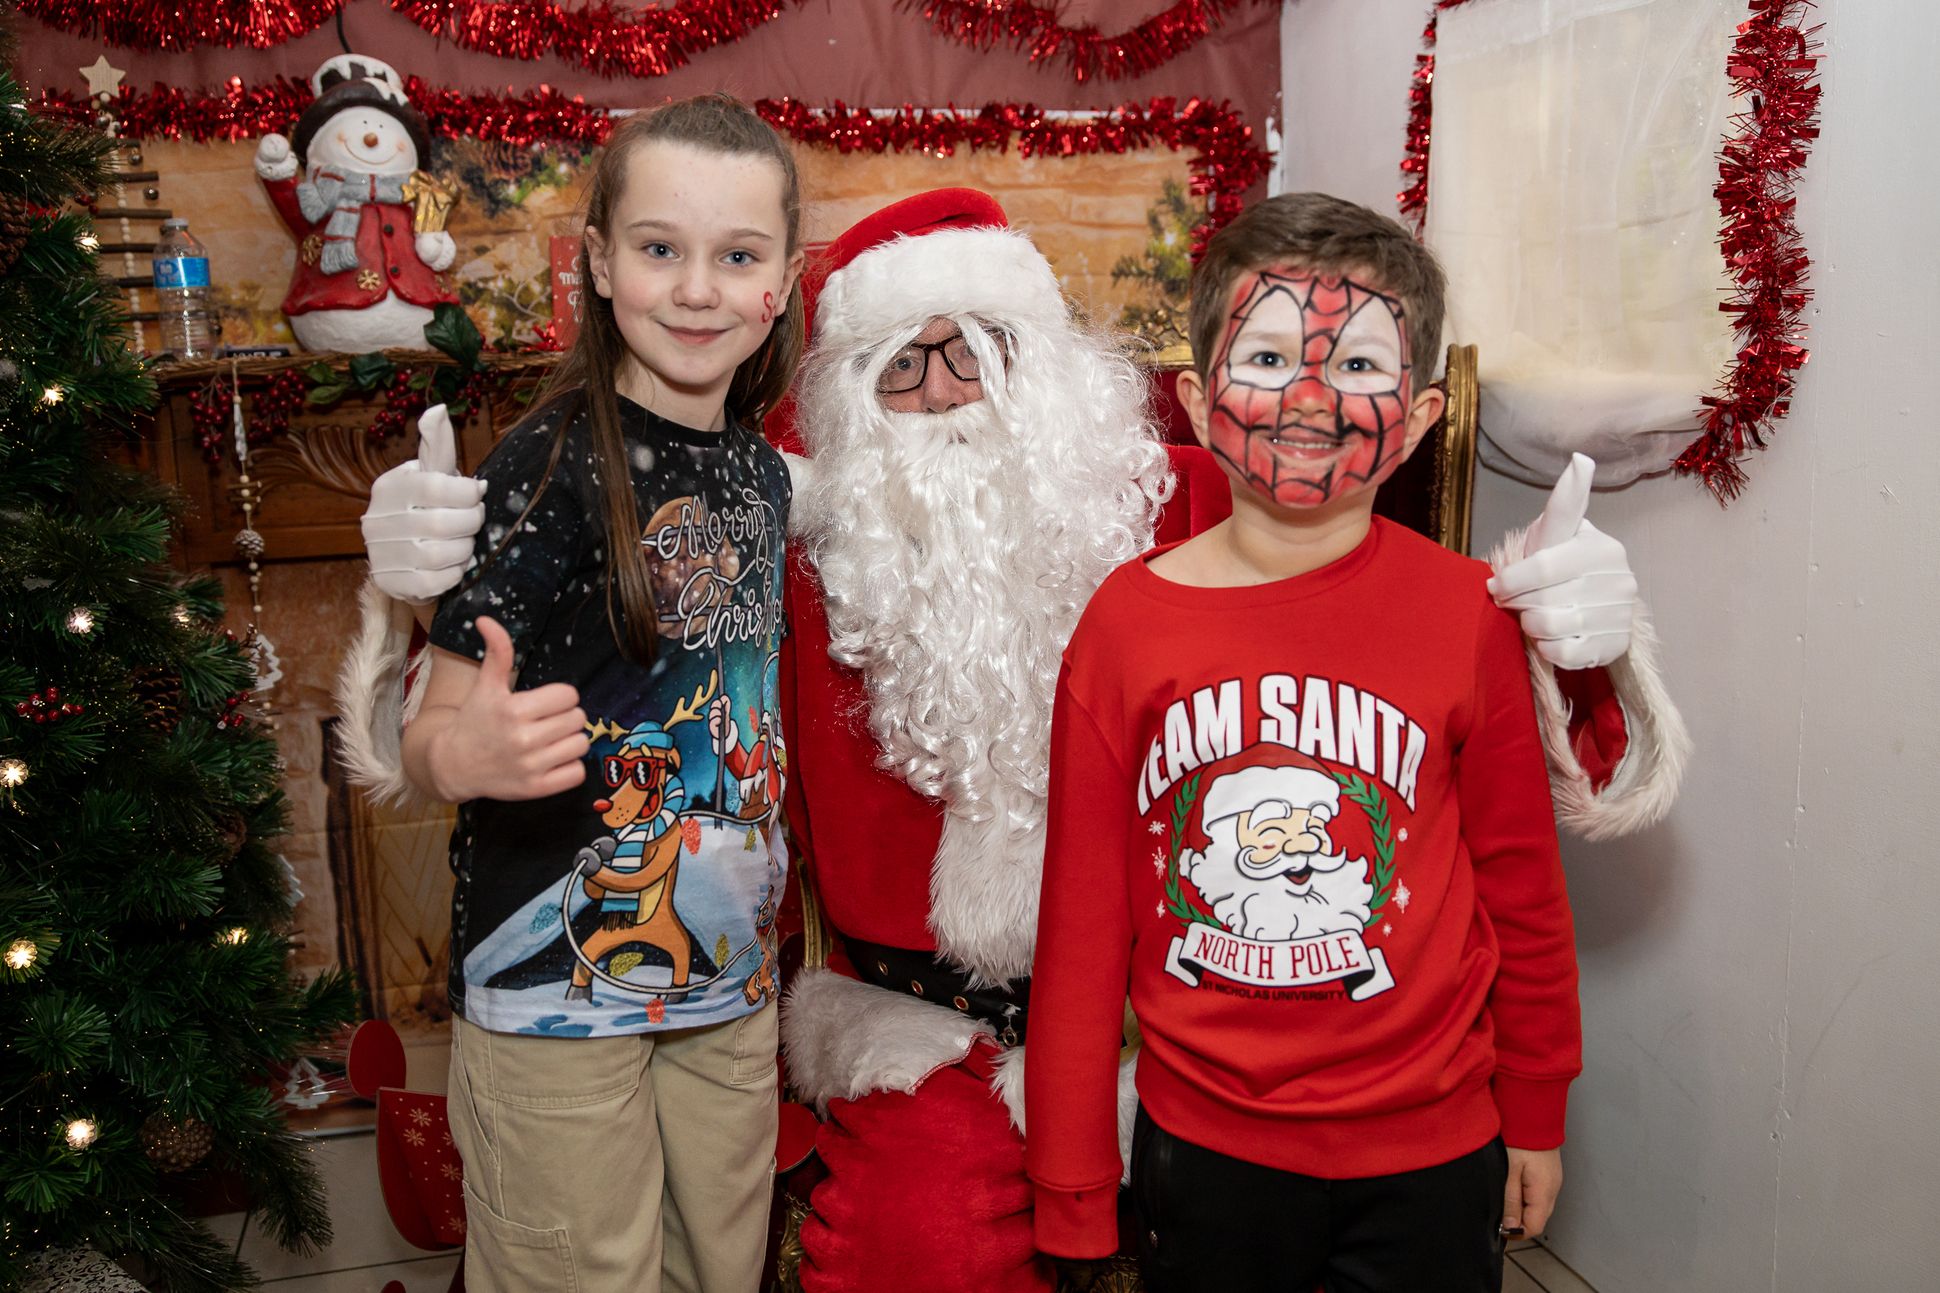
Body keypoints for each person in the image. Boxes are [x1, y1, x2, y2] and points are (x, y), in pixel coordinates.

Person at [346, 188, 1684, 1293]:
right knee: (919, 1246)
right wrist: (443, 571)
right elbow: (565, 650)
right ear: (848, 405)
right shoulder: (799, 544)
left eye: (978, 350)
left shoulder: (1193, 494)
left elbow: (1435, 702)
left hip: (1203, 1026)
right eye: (906, 366)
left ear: (1047, 372)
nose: (948, 394)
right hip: (926, 1025)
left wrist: (1584, 644)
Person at [1026, 192, 1580, 1293]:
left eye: (1359, 367)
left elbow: (1520, 883)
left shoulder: (1472, 613)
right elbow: (1082, 930)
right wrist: (1073, 1180)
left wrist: (1535, 1102)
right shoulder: (1124, 627)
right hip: (1208, 1151)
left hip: (1430, 1149)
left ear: (1419, 416)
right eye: (1267, 356)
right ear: (1194, 400)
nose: (1311, 395)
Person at [392, 96, 804, 1291]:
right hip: (552, 996)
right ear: (601, 261)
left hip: (725, 985)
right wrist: (458, 758)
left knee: (720, 1268)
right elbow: (429, 732)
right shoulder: (549, 462)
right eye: (659, 249)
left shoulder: (761, 475)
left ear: (780, 280)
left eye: (737, 257)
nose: (695, 290)